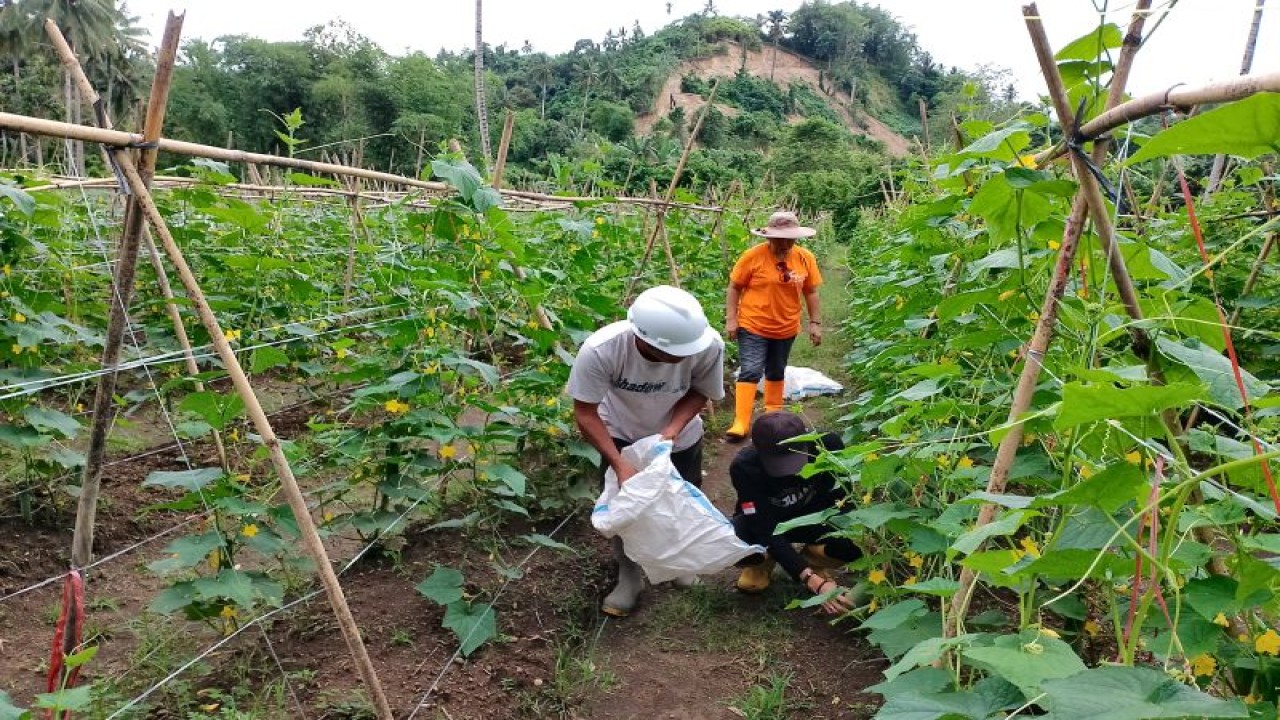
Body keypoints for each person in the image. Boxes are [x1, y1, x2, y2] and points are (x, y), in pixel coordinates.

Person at [567, 285, 726, 617]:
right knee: (627, 508)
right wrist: (619, 462)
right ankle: (630, 576)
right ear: (646, 340)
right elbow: (585, 412)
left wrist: (670, 432)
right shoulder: (602, 350)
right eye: (676, 353)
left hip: (678, 437)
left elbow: (701, 391)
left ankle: (679, 562)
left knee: (681, 497)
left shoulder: (706, 345)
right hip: (620, 435)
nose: (684, 356)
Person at [730, 411, 865, 616]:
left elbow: (843, 501)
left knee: (855, 538)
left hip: (815, 518)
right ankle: (763, 562)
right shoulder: (745, 467)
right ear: (758, 450)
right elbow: (763, 526)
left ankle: (814, 560)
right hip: (771, 523)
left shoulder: (828, 445)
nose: (791, 471)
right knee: (734, 537)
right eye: (779, 463)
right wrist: (809, 578)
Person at [724, 211, 824, 442]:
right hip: (753, 324)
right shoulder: (753, 256)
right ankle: (741, 422)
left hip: (786, 326)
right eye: (780, 238)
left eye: (790, 239)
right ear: (768, 237)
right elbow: (734, 287)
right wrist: (732, 318)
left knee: (777, 370)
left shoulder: (804, 257)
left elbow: (811, 291)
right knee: (750, 370)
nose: (786, 244)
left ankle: (773, 417)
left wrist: (815, 323)